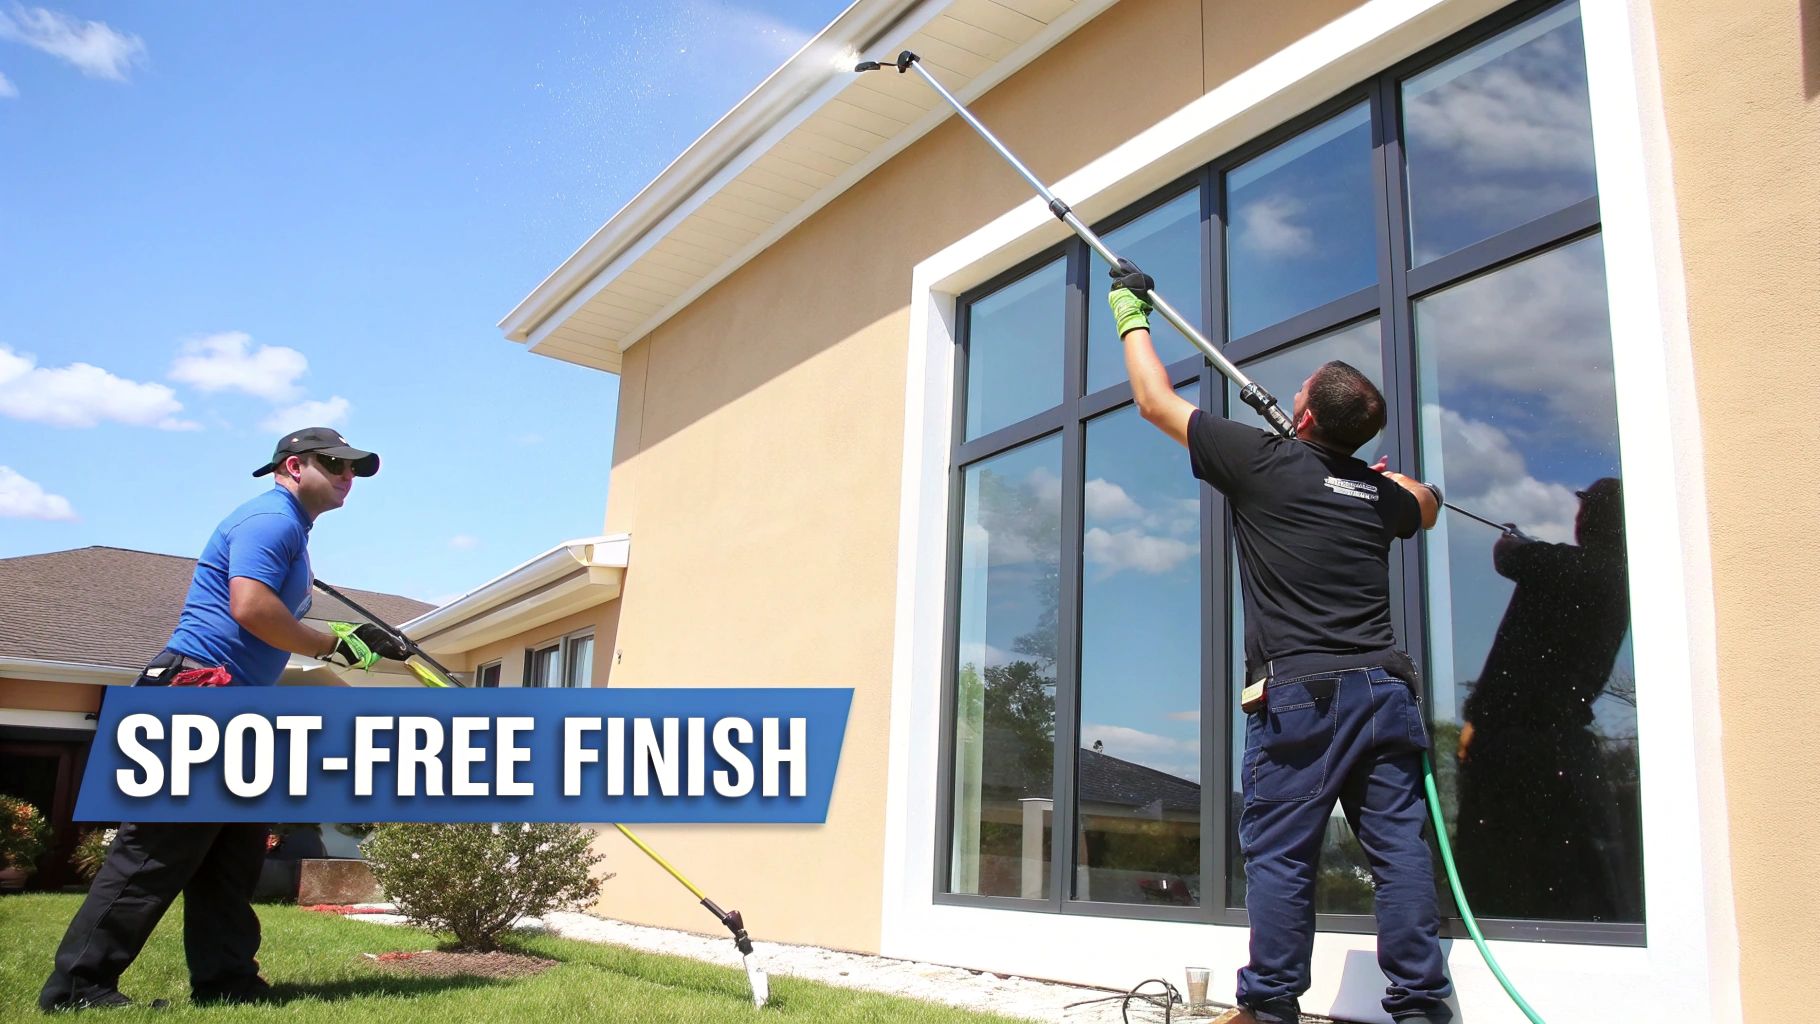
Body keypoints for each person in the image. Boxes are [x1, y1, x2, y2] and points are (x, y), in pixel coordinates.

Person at [1107, 265, 1452, 1024]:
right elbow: (1426, 505)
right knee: (1398, 853)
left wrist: (1131, 313)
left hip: (1305, 696)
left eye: (1299, 395)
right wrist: (1374, 480)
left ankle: (1267, 1009)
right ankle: (1423, 1008)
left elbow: (1153, 401)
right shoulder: (1377, 495)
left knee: (1283, 852)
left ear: (1301, 419)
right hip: (1386, 694)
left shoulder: (1265, 464)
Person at [39, 427, 410, 1012]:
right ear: (293, 465)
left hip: (231, 702)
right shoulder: (271, 519)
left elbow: (271, 615)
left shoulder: (290, 529)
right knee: (155, 852)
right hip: (198, 693)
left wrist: (349, 637)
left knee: (231, 858)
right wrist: (326, 646)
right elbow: (251, 607)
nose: (347, 477)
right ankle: (78, 987)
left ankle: (227, 980)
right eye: (335, 464)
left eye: (354, 469)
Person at [1454, 478, 1635, 921]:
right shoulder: (1619, 580)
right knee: (1568, 874)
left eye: (1585, 511)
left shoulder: (1583, 569)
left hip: (1525, 747)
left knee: (1504, 872)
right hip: (1558, 744)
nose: (1577, 519)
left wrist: (1515, 539)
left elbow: (1510, 557)